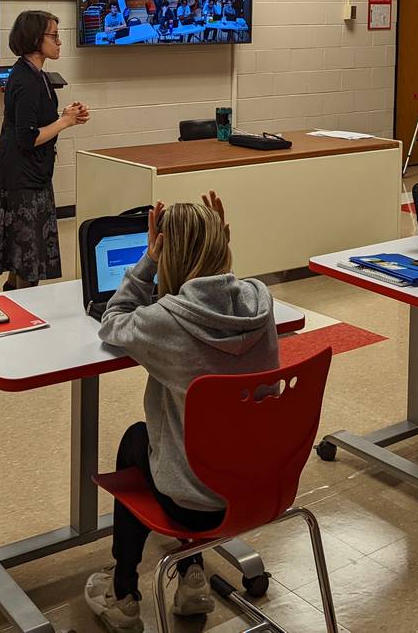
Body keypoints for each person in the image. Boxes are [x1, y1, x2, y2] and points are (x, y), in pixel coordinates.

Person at [84, 194, 277, 633]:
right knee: (190, 443)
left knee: (139, 440)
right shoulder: (260, 302)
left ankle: (124, 592)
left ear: (165, 250)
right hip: (258, 487)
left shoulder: (163, 321)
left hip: (194, 504)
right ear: (222, 245)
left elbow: (113, 320)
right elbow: (226, 294)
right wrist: (218, 243)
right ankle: (192, 577)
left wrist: (149, 261)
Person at [0, 11, 89, 290]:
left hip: (33, 174)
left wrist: (65, 115)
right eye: (53, 36)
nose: (59, 42)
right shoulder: (26, 80)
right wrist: (65, 122)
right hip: (20, 178)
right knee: (26, 258)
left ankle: (15, 299)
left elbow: (39, 120)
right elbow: (27, 138)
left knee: (23, 256)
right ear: (34, 39)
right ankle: (22, 312)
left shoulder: (37, 75)